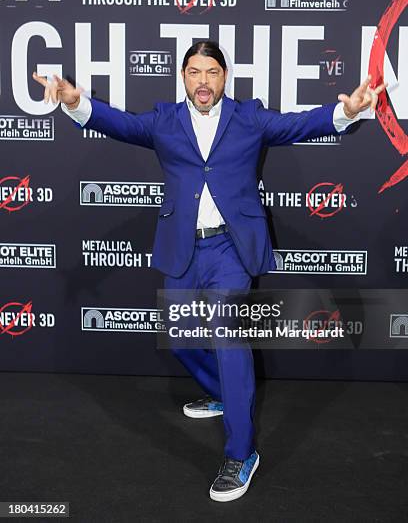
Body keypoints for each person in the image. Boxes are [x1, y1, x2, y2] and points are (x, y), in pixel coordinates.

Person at [33, 41, 385, 502]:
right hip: (184, 248)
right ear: (183, 77)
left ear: (225, 77)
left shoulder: (249, 118)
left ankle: (241, 453)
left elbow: (298, 124)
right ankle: (226, 393)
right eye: (195, 72)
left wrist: (348, 112)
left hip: (230, 248)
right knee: (179, 340)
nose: (203, 81)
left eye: (212, 72)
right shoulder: (164, 120)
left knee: (226, 334)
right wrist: (75, 102)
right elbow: (119, 123)